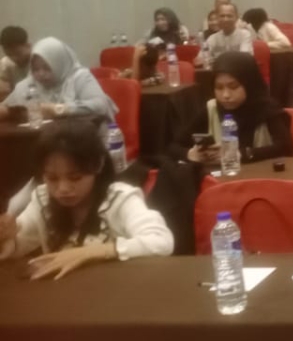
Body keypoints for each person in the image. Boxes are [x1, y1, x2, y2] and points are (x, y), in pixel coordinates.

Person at [0, 119, 174, 277]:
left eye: (75, 178)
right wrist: (7, 240)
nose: (63, 189)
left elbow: (161, 241)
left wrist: (89, 252)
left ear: (98, 165)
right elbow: (18, 245)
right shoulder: (43, 199)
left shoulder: (119, 198)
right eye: (52, 178)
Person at [171, 52, 292, 164]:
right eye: (219, 88)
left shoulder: (267, 109)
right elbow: (173, 146)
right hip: (223, 177)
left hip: (262, 176)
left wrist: (243, 154)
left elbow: (286, 148)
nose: (226, 95)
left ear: (249, 85)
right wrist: (190, 154)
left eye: (233, 87)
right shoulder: (212, 108)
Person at [0, 37, 118, 124]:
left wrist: (58, 109)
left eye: (47, 68)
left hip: (87, 141)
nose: (41, 74)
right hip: (43, 142)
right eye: (35, 69)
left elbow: (100, 105)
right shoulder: (29, 84)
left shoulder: (80, 77)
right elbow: (5, 108)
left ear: (60, 64)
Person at [0, 25, 31, 98]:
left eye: (18, 54)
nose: (13, 59)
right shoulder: (5, 63)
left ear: (28, 46)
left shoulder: (40, 63)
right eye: (9, 55)